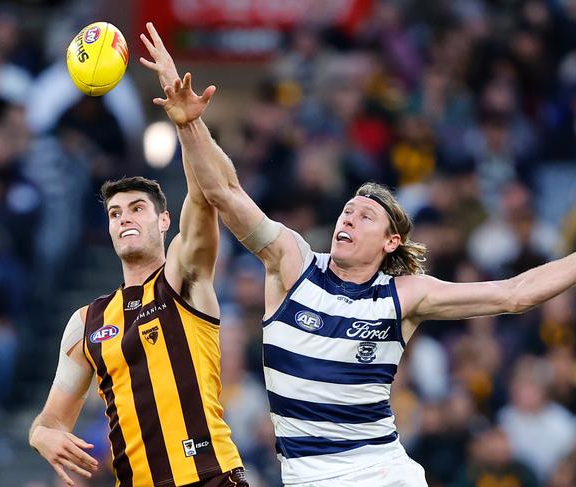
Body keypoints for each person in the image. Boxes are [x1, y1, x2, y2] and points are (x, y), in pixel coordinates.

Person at [141, 22, 576, 487]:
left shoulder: (405, 295)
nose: (347, 218)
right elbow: (225, 193)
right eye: (347, 211)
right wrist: (188, 122)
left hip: (383, 471)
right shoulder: (293, 263)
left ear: (391, 242)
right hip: (309, 476)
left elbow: (515, 294)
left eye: (365, 216)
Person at [28, 29, 248, 487]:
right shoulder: (86, 322)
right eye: (114, 213)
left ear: (164, 222)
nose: (124, 219)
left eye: (137, 208)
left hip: (211, 479)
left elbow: (207, 198)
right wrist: (41, 436)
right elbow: (49, 421)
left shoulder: (185, 277)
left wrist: (187, 124)